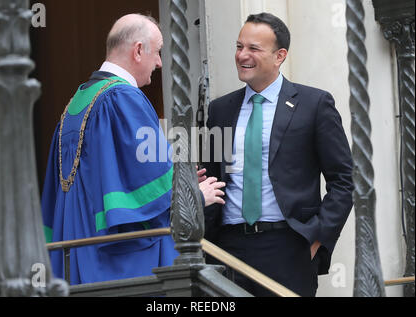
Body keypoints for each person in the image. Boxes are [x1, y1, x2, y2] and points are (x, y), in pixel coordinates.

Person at [41, 13, 225, 285]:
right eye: (159, 52)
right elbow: (142, 187)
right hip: (116, 260)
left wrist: (177, 183)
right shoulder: (123, 98)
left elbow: (119, 177)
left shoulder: (74, 105)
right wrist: (193, 197)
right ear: (139, 50)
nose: (160, 63)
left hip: (78, 258)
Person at [203, 12, 354, 297]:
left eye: (253, 48)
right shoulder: (219, 110)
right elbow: (209, 175)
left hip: (288, 248)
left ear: (280, 55)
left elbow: (344, 179)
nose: (241, 55)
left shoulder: (315, 104)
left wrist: (317, 238)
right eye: (239, 46)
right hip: (227, 249)